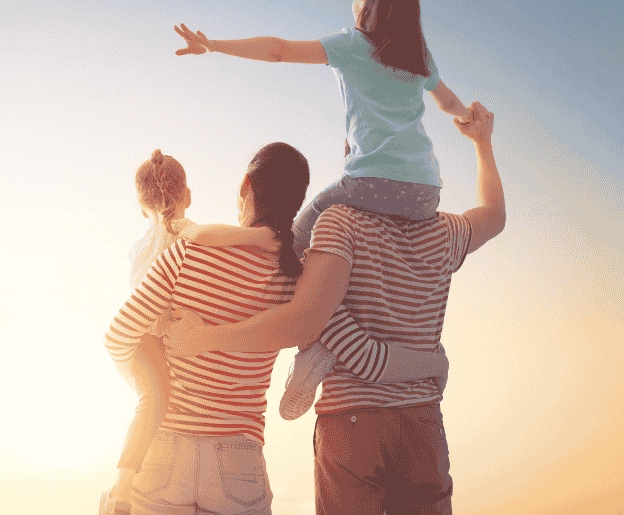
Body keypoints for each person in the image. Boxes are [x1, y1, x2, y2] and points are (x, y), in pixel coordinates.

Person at [173, 0, 479, 418]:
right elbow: (449, 100)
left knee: (291, 244)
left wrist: (213, 45)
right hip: (425, 193)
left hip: (371, 184)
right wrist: (468, 119)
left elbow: (279, 50)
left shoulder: (353, 44)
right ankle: (343, 342)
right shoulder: (419, 57)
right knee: (338, 260)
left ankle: (316, 347)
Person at [165, 103, 506, 514]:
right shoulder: (445, 231)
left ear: (355, 159)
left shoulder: (338, 222)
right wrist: (482, 143)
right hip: (422, 420)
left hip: (352, 420)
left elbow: (304, 314)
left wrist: (206, 335)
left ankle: (318, 359)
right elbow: (494, 215)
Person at [105, 142, 450, 515]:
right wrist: (431, 363)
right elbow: (349, 342)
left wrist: (152, 392)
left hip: (164, 451)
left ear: (245, 186)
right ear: (296, 204)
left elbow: (118, 337)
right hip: (238, 459)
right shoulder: (295, 279)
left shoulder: (186, 253)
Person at [101, 148, 284, 515]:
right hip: (238, 454)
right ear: (187, 195)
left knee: (149, 400)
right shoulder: (287, 273)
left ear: (141, 205)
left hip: (165, 443)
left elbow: (118, 336)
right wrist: (261, 239)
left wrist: (143, 381)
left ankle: (122, 480)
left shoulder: (173, 252)